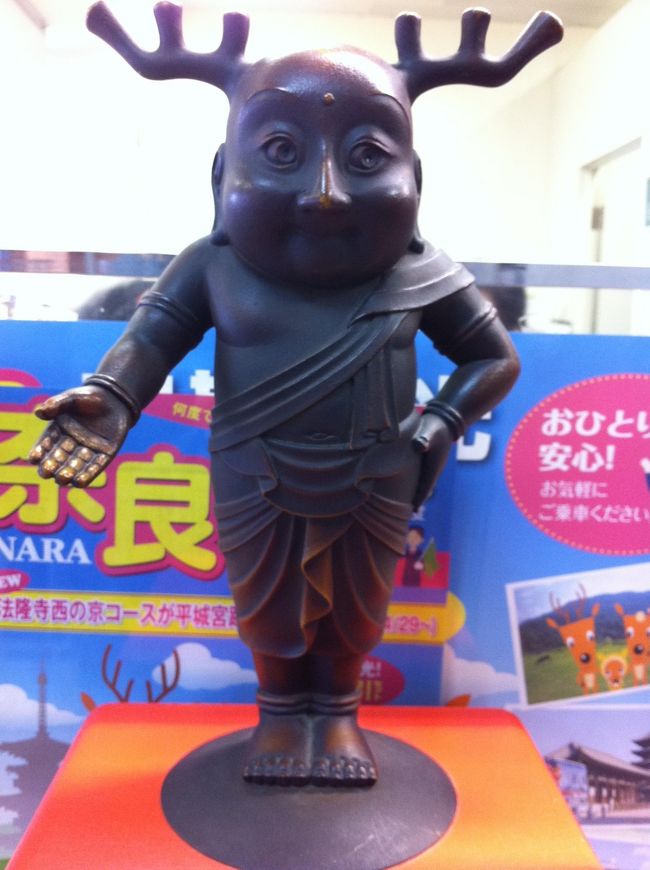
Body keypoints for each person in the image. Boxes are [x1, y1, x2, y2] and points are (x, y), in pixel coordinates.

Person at [28, 4, 562, 787]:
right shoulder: (213, 266)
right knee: (269, 603)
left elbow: (494, 359)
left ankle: (337, 714)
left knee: (356, 607)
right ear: (223, 175)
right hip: (257, 474)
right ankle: (281, 714)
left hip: (374, 475)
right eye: (281, 152)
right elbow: (152, 339)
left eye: (366, 155)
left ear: (415, 180)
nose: (325, 193)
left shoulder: (421, 274)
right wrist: (112, 395)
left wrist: (439, 425)